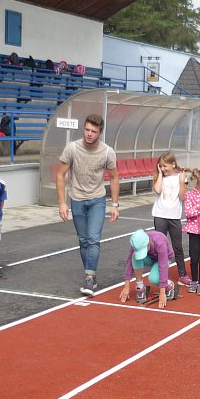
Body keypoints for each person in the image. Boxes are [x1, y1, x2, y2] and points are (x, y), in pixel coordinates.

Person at [56, 113, 120, 297]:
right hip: (77, 199)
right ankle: (90, 273)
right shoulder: (72, 148)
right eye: (87, 130)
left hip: (97, 200)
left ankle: (89, 278)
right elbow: (60, 174)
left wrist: (115, 205)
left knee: (93, 239)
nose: (89, 134)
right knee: (83, 240)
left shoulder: (107, 152)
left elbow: (114, 177)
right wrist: (62, 203)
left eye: (93, 131)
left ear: (100, 132)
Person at [151, 151, 189, 287]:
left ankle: (182, 275)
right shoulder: (160, 177)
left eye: (165, 166)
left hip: (174, 217)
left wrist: (182, 182)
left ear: (173, 164)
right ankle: (161, 275)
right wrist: (160, 174)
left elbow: (183, 197)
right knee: (160, 246)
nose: (163, 168)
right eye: (160, 166)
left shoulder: (181, 177)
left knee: (177, 246)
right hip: (160, 215)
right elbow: (157, 190)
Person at [118, 228, 176, 308]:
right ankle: (140, 287)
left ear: (149, 243)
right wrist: (126, 286)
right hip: (149, 258)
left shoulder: (160, 242)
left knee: (153, 279)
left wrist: (162, 292)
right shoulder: (136, 242)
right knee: (134, 257)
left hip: (164, 259)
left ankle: (169, 284)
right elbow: (129, 261)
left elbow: (163, 266)